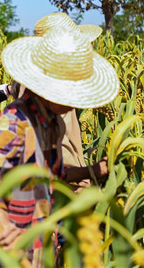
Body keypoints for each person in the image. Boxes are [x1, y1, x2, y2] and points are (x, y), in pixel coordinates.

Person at [0, 26, 120, 266]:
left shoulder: (51, 124)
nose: (75, 102)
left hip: (38, 249)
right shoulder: (16, 121)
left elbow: (54, 174)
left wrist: (93, 171)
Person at [33, 12, 107, 188]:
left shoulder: (58, 87)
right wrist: (92, 172)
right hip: (62, 195)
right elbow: (51, 169)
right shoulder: (47, 97)